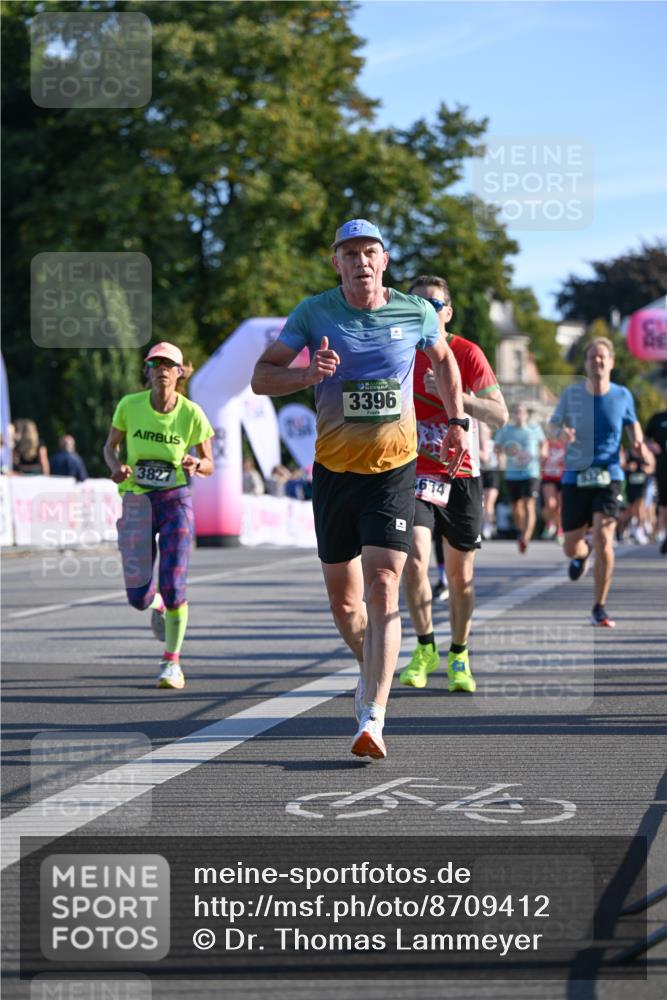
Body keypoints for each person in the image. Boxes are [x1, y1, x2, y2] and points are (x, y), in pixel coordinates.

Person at [251, 219, 467, 759]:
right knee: (346, 605)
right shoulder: (313, 312)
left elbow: (443, 361)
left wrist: (458, 420)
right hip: (334, 472)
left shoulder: (415, 312)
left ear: (385, 260)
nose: (361, 261)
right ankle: (373, 662)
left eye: (370, 252)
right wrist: (307, 374)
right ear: (337, 264)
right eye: (350, 253)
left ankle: (373, 713)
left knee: (385, 584)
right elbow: (261, 377)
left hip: (394, 470)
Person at [399, 275, 508, 693]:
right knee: (414, 560)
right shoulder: (401, 353)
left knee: (461, 578)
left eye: (434, 303)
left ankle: (458, 653)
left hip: (461, 475)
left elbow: (499, 416)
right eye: (417, 302)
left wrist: (455, 395)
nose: (425, 308)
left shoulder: (466, 352)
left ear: (448, 312)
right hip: (415, 472)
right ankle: (425, 646)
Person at [103, 342, 214, 689]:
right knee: (138, 596)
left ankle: (171, 663)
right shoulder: (129, 406)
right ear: (148, 371)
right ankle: (158, 605)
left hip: (175, 501)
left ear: (180, 372)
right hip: (137, 500)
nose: (162, 370)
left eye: (169, 365)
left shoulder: (191, 413)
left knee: (174, 581)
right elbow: (110, 446)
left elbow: (209, 463)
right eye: (156, 364)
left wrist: (197, 464)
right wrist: (116, 467)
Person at [549, 336, 652, 627]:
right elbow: (553, 424)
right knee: (571, 547)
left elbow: (632, 423)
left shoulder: (622, 395)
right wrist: (561, 434)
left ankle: (599, 606)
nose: (598, 361)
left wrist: (639, 443)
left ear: (612, 362)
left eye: (602, 357)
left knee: (605, 537)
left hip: (609, 474)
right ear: (586, 362)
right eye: (592, 357)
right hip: (575, 475)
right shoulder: (572, 394)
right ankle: (582, 555)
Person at [494, 403, 546, 553]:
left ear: (526, 415)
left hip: (531, 472)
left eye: (521, 412)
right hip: (512, 473)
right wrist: (501, 459)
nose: (519, 415)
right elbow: (497, 446)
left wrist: (543, 453)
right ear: (513, 415)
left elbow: (544, 443)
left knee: (529, 504)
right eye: (516, 412)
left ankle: (526, 537)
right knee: (516, 508)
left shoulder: (534, 428)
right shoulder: (506, 430)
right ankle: (521, 531)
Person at [645, 402, 667, 554]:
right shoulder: (658, 418)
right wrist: (650, 445)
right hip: (662, 467)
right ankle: (664, 533)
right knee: (663, 503)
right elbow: (643, 438)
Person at [540, 430, 565, 541]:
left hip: (562, 478)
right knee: (550, 504)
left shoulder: (565, 443)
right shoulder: (547, 443)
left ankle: (560, 530)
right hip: (548, 477)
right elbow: (542, 456)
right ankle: (550, 523)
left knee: (560, 508)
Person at [479, 422, 500, 539]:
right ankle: (483, 525)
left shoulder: (494, 444)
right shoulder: (476, 443)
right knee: (481, 503)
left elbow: (501, 456)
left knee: (489, 503)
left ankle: (489, 525)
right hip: (480, 472)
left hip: (492, 473)